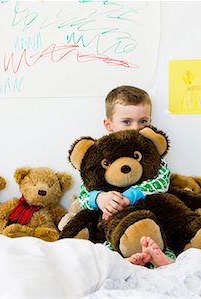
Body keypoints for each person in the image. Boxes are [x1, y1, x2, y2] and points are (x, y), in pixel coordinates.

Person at [77, 85, 175, 268]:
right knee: (103, 249)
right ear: (109, 125)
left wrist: (131, 196)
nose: (136, 128)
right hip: (112, 218)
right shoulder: (100, 154)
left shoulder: (151, 153)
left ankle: (161, 259)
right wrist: (99, 198)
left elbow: (162, 181)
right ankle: (123, 262)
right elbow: (84, 191)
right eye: (127, 122)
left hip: (146, 212)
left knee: (159, 235)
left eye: (143, 121)